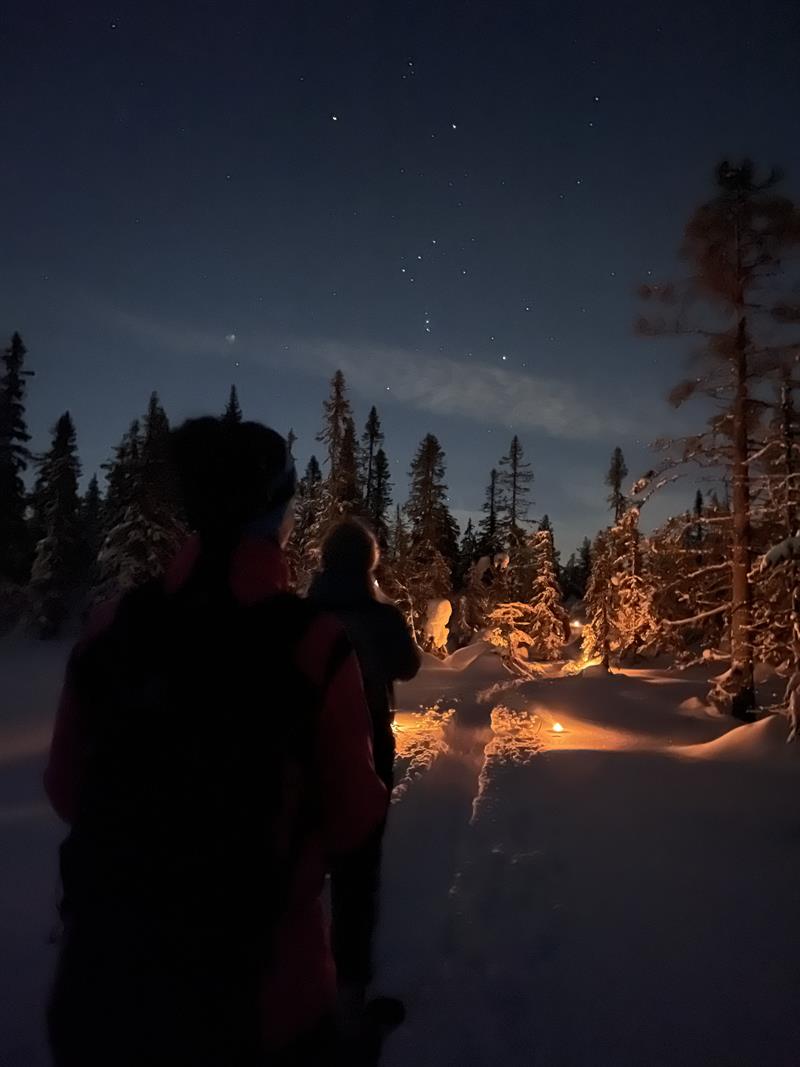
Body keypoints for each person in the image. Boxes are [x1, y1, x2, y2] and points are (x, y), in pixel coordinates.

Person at [44, 417, 387, 1067]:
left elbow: (66, 789)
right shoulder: (311, 643)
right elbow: (355, 821)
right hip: (261, 1007)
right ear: (279, 513)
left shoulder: (114, 623)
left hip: (102, 995)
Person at [307, 518, 420, 1025]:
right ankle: (349, 991)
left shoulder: (302, 614)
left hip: (303, 742)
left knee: (302, 852)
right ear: (369, 563)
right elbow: (408, 666)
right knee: (360, 863)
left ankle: (300, 981)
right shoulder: (382, 617)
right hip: (370, 738)